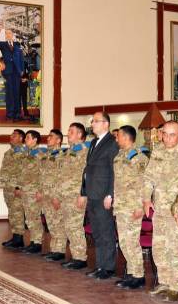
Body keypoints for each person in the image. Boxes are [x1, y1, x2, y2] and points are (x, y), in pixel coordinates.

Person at [143, 121, 178, 301]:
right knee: (159, 247)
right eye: (165, 134)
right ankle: (164, 282)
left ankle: (176, 286)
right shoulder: (157, 152)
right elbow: (148, 177)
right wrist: (146, 198)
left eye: (172, 135)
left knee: (177, 248)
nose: (168, 138)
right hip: (160, 210)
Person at [79, 112, 119, 279]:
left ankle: (108, 268)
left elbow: (113, 171)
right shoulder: (94, 142)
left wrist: (110, 194)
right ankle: (100, 265)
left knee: (106, 232)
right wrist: (83, 192)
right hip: (92, 193)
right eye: (92, 121)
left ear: (106, 124)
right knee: (97, 231)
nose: (92, 124)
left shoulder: (112, 143)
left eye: (95, 121)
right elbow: (87, 169)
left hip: (103, 194)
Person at [112, 125, 150, 290]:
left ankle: (138, 276)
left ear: (126, 137)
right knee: (123, 242)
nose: (116, 139)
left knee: (132, 242)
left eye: (118, 136)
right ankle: (132, 271)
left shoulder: (139, 157)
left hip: (133, 206)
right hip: (121, 205)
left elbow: (144, 183)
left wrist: (140, 206)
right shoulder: (119, 155)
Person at [58, 123, 91, 270]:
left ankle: (80, 258)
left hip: (76, 195)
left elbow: (87, 174)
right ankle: (75, 256)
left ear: (80, 134)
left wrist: (83, 194)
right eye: (68, 130)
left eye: (71, 131)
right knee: (69, 226)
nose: (68, 133)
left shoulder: (85, 151)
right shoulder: (68, 151)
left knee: (75, 226)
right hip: (66, 195)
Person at [40, 129, 68, 262]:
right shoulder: (46, 155)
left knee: (58, 223)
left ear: (58, 140)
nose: (48, 138)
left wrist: (57, 196)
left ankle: (60, 251)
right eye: (48, 136)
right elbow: (42, 176)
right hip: (46, 194)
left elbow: (62, 178)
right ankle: (54, 249)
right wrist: (41, 191)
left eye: (51, 136)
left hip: (55, 195)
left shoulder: (62, 155)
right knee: (51, 224)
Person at [18, 130, 47, 253]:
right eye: (25, 138)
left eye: (28, 138)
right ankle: (33, 241)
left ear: (35, 140)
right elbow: (23, 173)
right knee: (29, 218)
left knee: (34, 218)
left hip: (34, 191)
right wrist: (20, 188)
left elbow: (43, 173)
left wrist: (40, 191)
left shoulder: (40, 154)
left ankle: (37, 243)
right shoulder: (26, 154)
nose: (25, 140)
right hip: (26, 191)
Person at [0, 129, 26, 249]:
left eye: (14, 135)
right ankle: (15, 237)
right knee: (12, 213)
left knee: (18, 213)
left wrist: (19, 187)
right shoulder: (8, 153)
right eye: (11, 135)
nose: (11, 136)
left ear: (21, 138)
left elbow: (24, 171)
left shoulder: (24, 152)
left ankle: (19, 239)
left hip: (16, 188)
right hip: (7, 187)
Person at [0, 27, 24, 121]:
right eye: (6, 33)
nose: (8, 35)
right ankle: (10, 113)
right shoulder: (3, 44)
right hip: (8, 72)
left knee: (17, 93)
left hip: (17, 72)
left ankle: (17, 113)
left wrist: (22, 70)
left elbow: (21, 59)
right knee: (9, 94)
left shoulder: (18, 46)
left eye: (9, 33)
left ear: (12, 35)